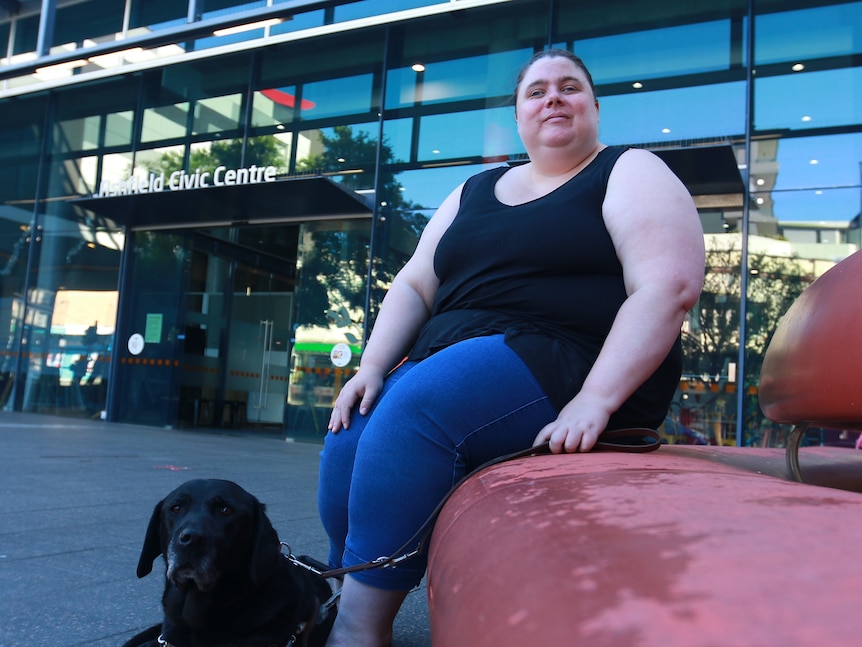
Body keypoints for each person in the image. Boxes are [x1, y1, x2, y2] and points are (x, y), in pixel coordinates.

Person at [317, 48, 705, 646]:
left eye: (569, 87)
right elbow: (417, 282)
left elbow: (667, 287)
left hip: (572, 361)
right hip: (451, 358)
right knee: (353, 429)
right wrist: (370, 366)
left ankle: (357, 629)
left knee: (417, 405)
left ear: (595, 107)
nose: (553, 97)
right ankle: (348, 586)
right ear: (519, 115)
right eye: (537, 91)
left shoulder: (628, 169)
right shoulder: (474, 188)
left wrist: (596, 399)